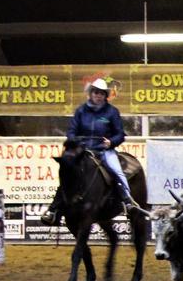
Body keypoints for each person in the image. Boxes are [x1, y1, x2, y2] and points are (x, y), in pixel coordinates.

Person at [41, 78, 135, 224]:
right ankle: (53, 209)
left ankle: (127, 201)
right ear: (91, 93)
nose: (98, 95)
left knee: (117, 171)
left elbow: (120, 134)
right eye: (96, 92)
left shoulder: (112, 112)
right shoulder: (80, 111)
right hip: (82, 151)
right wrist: (76, 142)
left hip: (104, 150)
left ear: (105, 95)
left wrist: (111, 142)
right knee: (68, 173)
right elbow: (71, 131)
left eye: (102, 93)